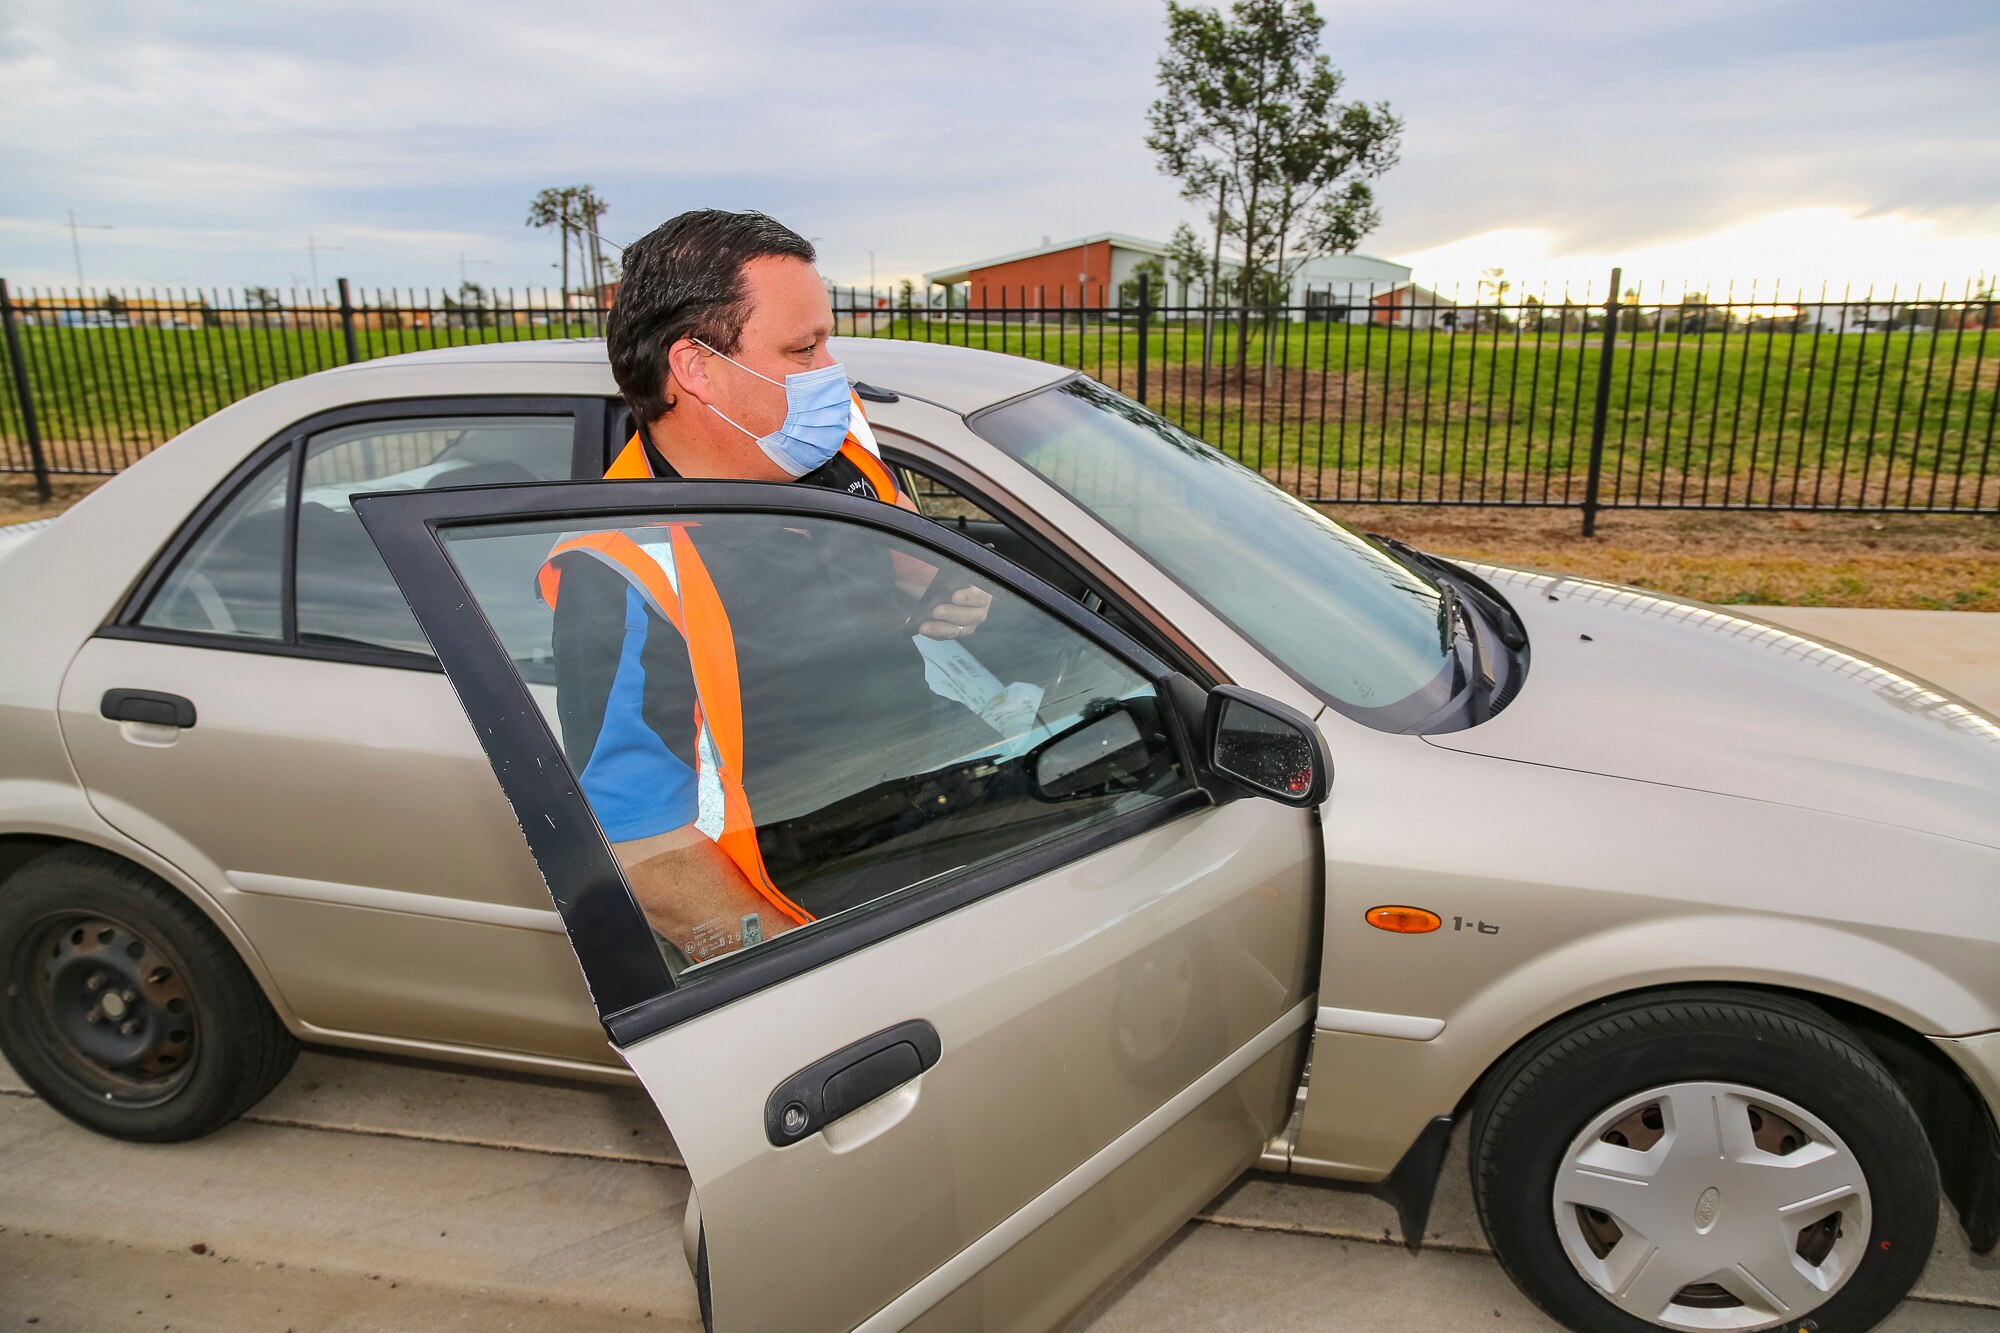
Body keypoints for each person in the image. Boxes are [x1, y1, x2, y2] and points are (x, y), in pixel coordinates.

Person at [543, 210, 991, 964]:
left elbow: (888, 581)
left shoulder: (835, 459)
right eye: (804, 347)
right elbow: (644, 847)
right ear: (697, 368)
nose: (832, 372)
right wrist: (811, 973)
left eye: (827, 340)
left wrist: (931, 591)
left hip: (939, 814)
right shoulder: (621, 569)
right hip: (829, 898)